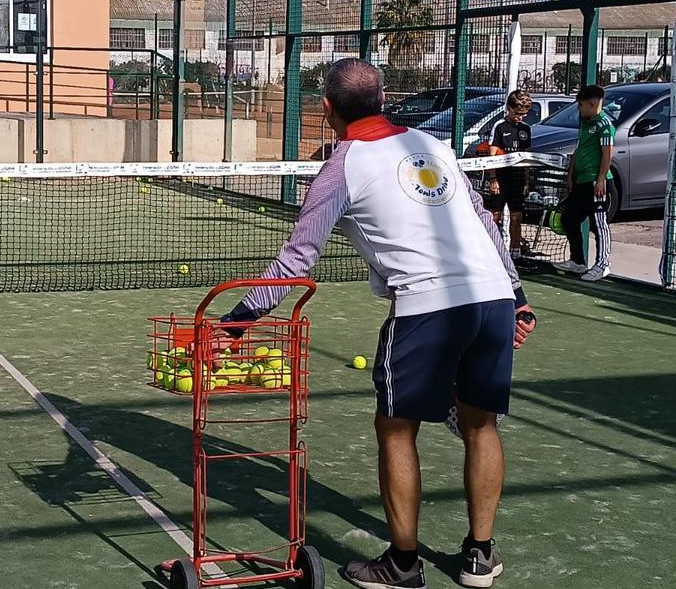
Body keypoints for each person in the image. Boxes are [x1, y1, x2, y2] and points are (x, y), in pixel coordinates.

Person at [219, 59, 536, 589]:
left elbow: (296, 261)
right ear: (385, 97)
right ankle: (480, 556)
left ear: (326, 109)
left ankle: (403, 565)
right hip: (494, 299)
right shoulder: (432, 146)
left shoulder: (341, 166)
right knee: (481, 424)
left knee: (395, 428)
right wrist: (518, 296)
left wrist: (237, 321)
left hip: (427, 308)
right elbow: (482, 219)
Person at [555, 85, 613, 282]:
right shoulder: (584, 123)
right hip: (580, 180)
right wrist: (571, 175)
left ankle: (603, 264)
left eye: (581, 105)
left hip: (595, 183)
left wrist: (601, 179)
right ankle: (578, 261)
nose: (578, 109)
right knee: (569, 218)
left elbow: (607, 155)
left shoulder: (605, 125)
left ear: (592, 104)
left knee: (599, 224)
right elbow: (578, 149)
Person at [482, 90, 533, 259]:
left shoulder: (526, 129)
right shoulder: (499, 127)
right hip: (501, 178)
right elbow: (492, 154)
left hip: (517, 179)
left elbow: (526, 156)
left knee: (516, 216)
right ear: (509, 108)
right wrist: (493, 178)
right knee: (494, 214)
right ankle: (488, 248)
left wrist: (526, 181)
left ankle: (515, 252)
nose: (520, 117)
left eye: (524, 114)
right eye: (517, 113)